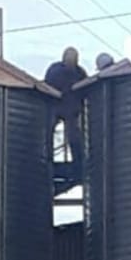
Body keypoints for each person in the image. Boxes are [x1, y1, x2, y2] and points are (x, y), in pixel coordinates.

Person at [44, 46, 87, 174]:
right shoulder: (55, 71)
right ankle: (47, 157)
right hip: (56, 106)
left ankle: (78, 160)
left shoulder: (79, 72)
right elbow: (47, 87)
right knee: (47, 131)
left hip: (71, 109)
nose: (71, 63)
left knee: (74, 135)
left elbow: (85, 89)